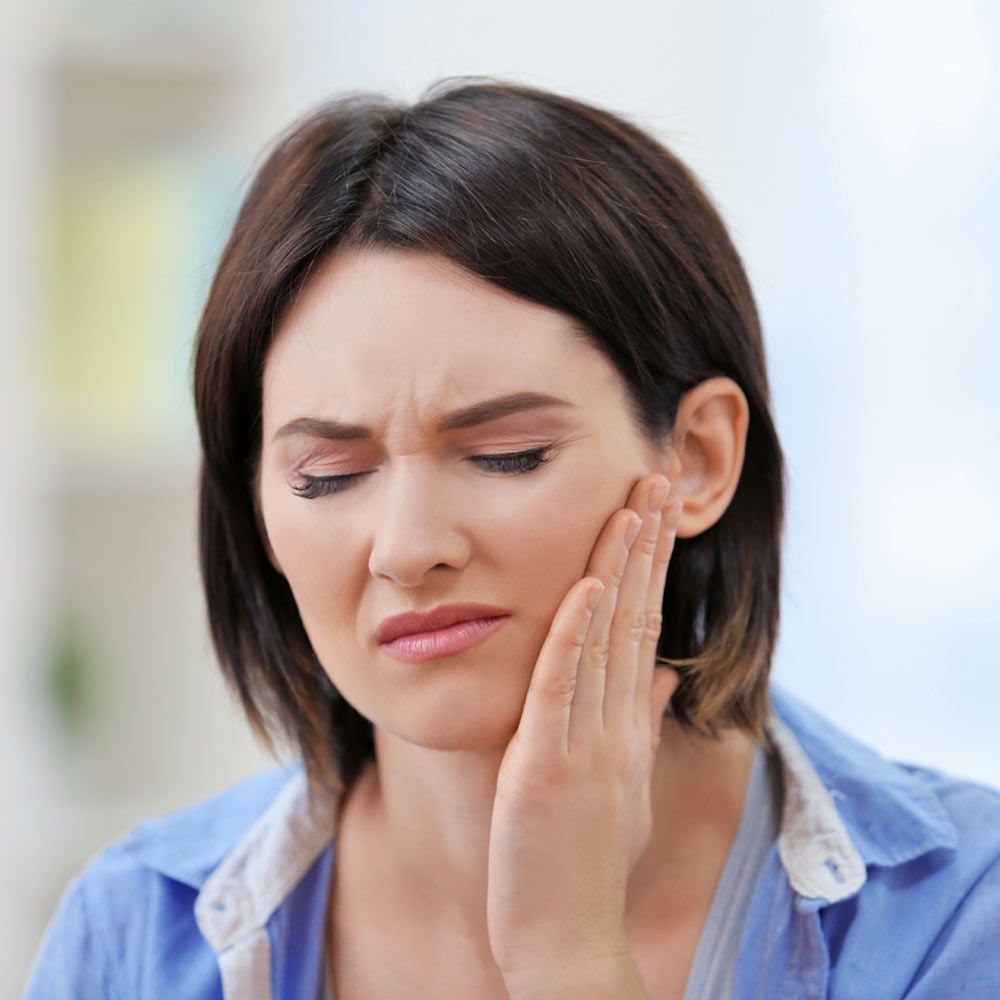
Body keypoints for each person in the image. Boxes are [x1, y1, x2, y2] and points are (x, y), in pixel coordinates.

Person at [23, 77, 1000, 1000]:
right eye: (328, 476)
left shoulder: (953, 918)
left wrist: (571, 956)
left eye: (506, 452)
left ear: (698, 457)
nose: (405, 548)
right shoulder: (134, 939)